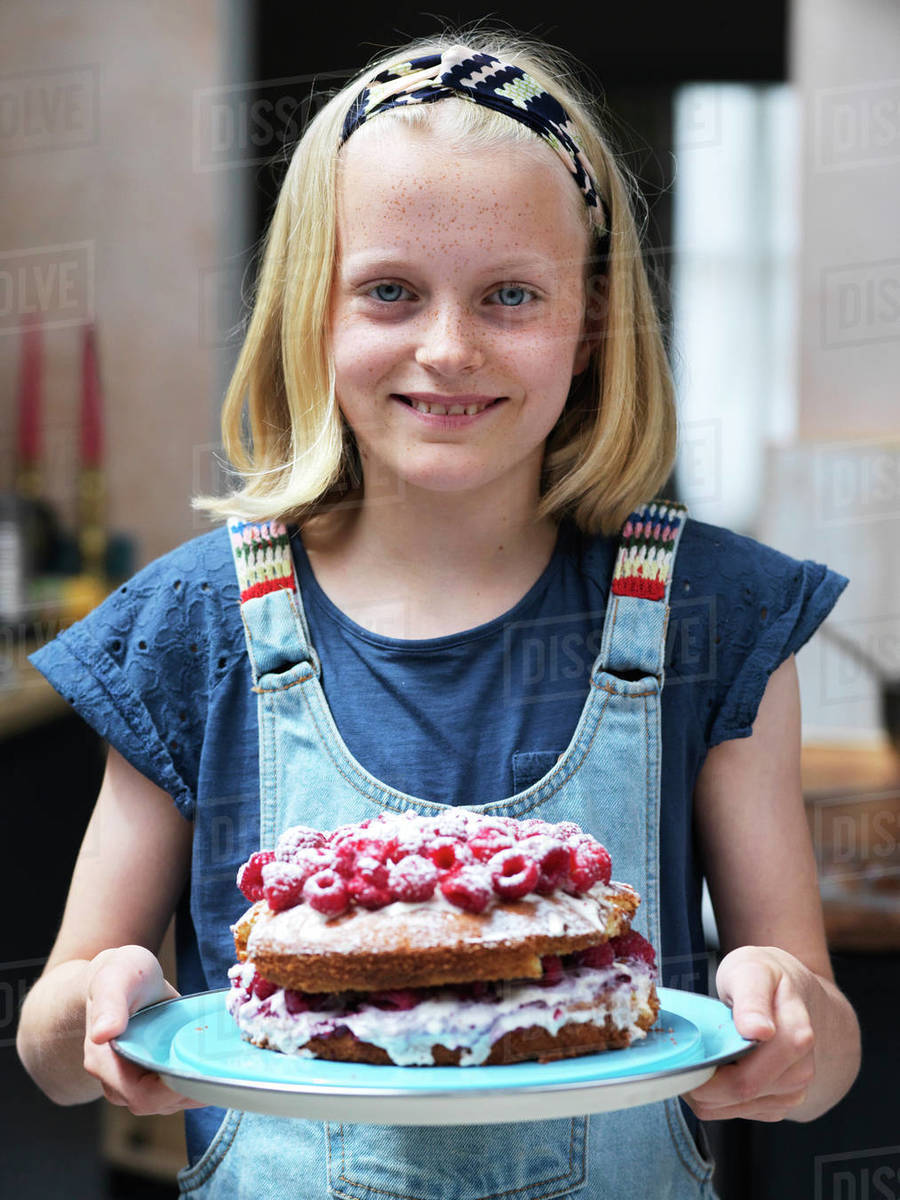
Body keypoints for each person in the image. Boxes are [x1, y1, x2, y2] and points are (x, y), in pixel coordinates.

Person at [17, 27, 860, 1200]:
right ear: (313, 305)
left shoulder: (712, 617)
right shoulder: (191, 625)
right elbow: (55, 1043)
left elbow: (821, 1051)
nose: (449, 349)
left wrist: (793, 1021)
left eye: (512, 294)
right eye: (390, 291)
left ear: (593, 316)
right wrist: (100, 1015)